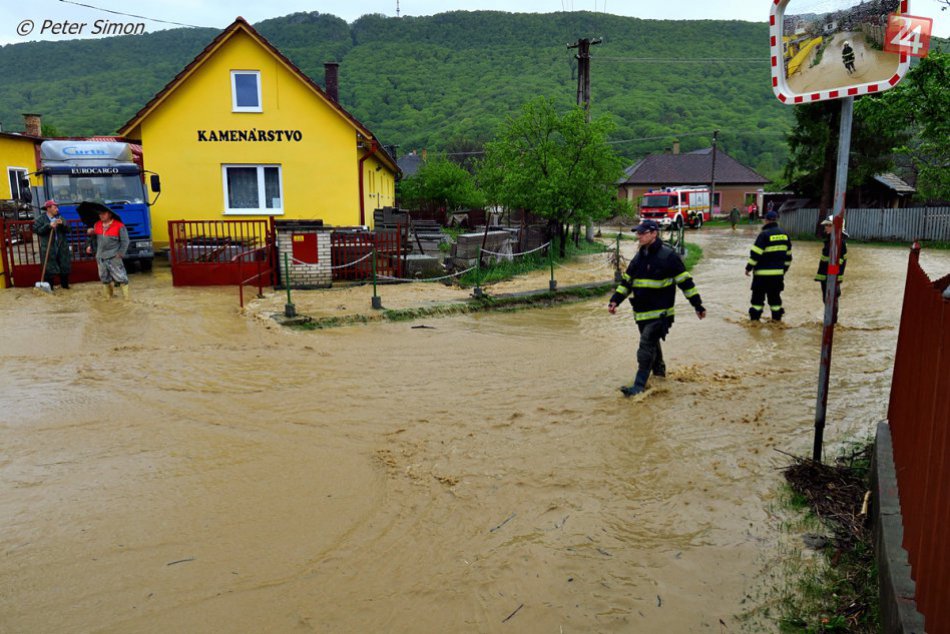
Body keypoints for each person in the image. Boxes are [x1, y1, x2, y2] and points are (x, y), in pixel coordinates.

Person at [608, 219, 706, 396]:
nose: (639, 236)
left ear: (654, 233)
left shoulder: (668, 256)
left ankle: (638, 387)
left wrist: (697, 305)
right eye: (638, 233)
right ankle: (660, 377)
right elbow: (627, 282)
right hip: (642, 313)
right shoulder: (639, 257)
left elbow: (686, 283)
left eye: (642, 233)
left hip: (661, 314)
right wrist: (615, 300)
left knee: (645, 345)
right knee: (652, 346)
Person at [745, 210, 792, 321]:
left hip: (761, 276)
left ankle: (754, 324)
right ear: (776, 220)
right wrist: (782, 270)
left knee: (757, 300)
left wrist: (748, 268)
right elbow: (788, 257)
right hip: (777, 276)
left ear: (766, 220)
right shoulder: (785, 235)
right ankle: (776, 322)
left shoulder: (764, 235)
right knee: (775, 300)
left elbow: (755, 254)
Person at [86, 207, 130, 299]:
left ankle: (126, 299)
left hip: (114, 256)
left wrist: (120, 254)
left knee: (121, 278)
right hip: (100, 257)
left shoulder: (119, 226)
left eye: (103, 214)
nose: (101, 215)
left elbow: (125, 241)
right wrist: (90, 244)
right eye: (99, 214)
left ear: (109, 214)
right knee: (104, 278)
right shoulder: (97, 225)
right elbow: (93, 239)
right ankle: (108, 298)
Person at [815, 215, 848, 322]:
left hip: (831, 278)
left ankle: (831, 324)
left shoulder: (838, 242)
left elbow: (838, 263)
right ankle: (829, 322)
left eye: (828, 225)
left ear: (835, 227)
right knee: (828, 300)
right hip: (827, 277)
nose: (825, 228)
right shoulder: (831, 241)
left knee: (831, 301)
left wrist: (832, 278)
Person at [33, 200, 71, 289]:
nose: (57, 209)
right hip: (48, 247)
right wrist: (48, 226)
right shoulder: (41, 218)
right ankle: (50, 288)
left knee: (64, 266)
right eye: (55, 207)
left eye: (57, 208)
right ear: (48, 208)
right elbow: (36, 230)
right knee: (49, 268)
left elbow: (69, 230)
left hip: (61, 246)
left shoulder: (60, 218)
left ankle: (65, 286)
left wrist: (62, 224)